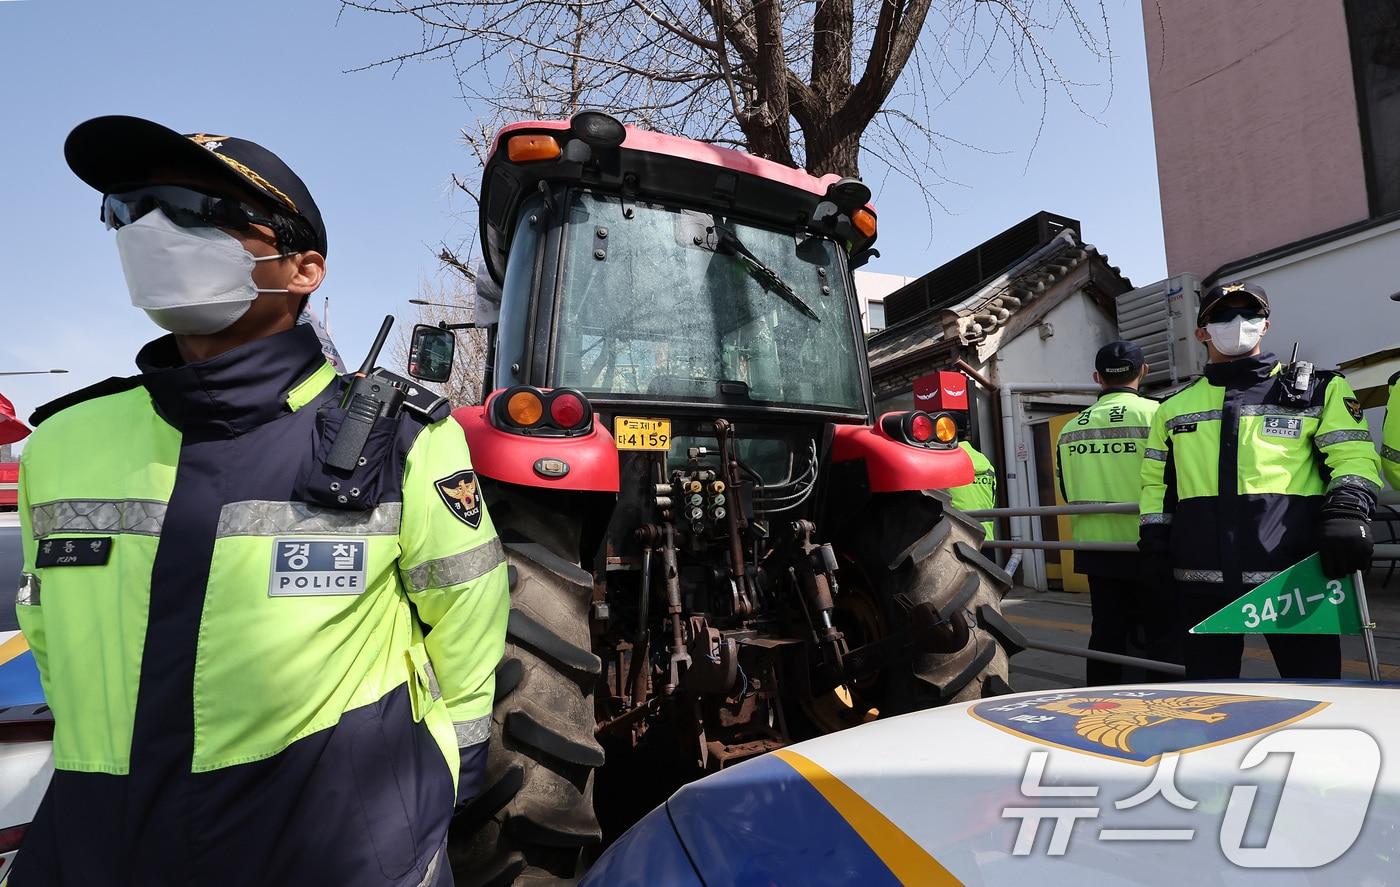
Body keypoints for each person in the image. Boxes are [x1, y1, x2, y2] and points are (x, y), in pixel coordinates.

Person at [12, 116, 509, 886]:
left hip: (340, 860)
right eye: (127, 209)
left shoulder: (405, 442)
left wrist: (443, 777)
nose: (149, 231)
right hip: (98, 854)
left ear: (302, 268)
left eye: (195, 210)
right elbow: (52, 634)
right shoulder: (64, 444)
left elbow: (470, 626)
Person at [1139, 281, 1380, 680]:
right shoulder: (1172, 408)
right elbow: (1156, 485)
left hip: (1294, 580)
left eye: (1250, 314)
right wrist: (1152, 546)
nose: (1239, 323)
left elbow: (1353, 455)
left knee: (1316, 693)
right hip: (1201, 579)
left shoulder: (1320, 390)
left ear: (1265, 326)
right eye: (1223, 316)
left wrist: (1348, 510)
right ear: (1202, 331)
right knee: (1210, 701)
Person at [1056, 341, 1174, 685]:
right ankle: (1160, 702)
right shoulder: (1158, 414)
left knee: (1107, 632)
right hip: (1151, 542)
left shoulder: (1070, 428)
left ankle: (1102, 699)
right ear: (1145, 371)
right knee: (1159, 633)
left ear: (1097, 377)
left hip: (1095, 546)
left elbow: (1066, 489)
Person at [949, 436, 997, 540]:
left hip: (959, 539)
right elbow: (992, 501)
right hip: (987, 537)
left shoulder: (945, 466)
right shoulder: (988, 467)